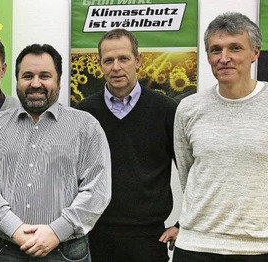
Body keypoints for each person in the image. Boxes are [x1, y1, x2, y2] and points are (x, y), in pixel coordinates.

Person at [0, 44, 111, 261]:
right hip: (6, 250)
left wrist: (57, 231)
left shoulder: (86, 126)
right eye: (27, 76)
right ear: (17, 81)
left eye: (45, 76)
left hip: (66, 251)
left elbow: (97, 189)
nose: (35, 84)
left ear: (59, 81)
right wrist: (14, 228)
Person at [74, 28, 179, 261]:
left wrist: (184, 223)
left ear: (138, 61)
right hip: (95, 237)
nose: (116, 67)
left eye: (124, 58)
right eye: (108, 60)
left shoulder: (165, 110)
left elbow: (192, 172)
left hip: (149, 239)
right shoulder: (83, 114)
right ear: (100, 65)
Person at [173, 12, 268, 260]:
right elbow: (187, 171)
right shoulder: (189, 108)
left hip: (257, 248)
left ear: (255, 53)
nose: (224, 58)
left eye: (235, 48)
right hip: (196, 246)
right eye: (216, 50)